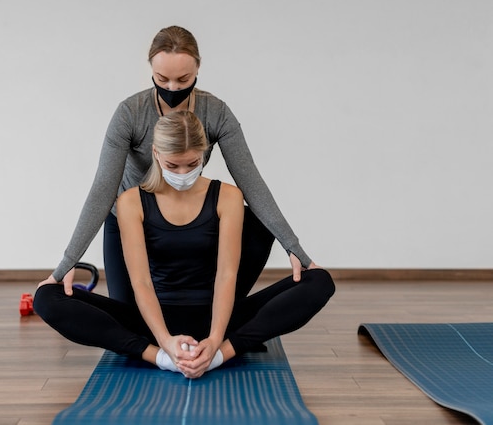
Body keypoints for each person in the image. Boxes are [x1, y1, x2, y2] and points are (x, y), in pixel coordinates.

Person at [34, 111, 334, 379]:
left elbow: (227, 275)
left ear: (203, 154)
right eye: (173, 165)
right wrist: (165, 346)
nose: (182, 174)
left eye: (192, 164)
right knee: (46, 297)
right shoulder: (131, 202)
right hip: (151, 323)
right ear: (155, 154)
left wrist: (216, 343)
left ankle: (223, 355)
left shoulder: (227, 196)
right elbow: (140, 282)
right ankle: (158, 359)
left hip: (219, 317)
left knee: (319, 281)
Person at [38, 25, 323, 303]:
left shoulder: (216, 113)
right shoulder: (129, 114)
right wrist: (66, 264)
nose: (172, 88)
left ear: (198, 69)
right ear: (150, 68)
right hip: (131, 220)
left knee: (259, 226)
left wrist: (294, 248)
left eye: (183, 80)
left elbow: (252, 184)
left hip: (188, 218)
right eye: (162, 79)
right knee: (130, 324)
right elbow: (102, 189)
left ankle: (222, 314)